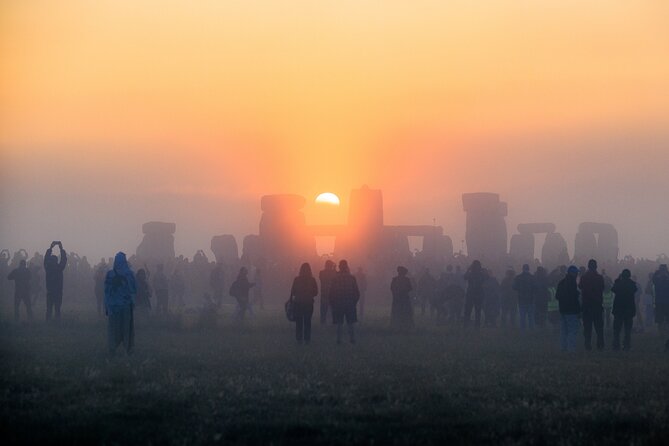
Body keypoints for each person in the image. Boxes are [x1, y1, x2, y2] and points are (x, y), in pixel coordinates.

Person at [104, 252, 136, 355]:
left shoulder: (110, 274)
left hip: (113, 307)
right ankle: (127, 348)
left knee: (113, 328)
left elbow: (106, 291)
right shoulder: (129, 274)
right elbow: (134, 289)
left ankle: (112, 348)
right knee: (126, 328)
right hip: (126, 306)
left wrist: (107, 305)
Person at [329, 260, 360, 344]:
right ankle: (352, 339)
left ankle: (339, 339)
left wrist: (332, 303)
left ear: (339, 267)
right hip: (349, 303)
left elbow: (332, 292)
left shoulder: (335, 278)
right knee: (350, 322)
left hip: (338, 303)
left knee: (339, 323)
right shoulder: (351, 278)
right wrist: (354, 302)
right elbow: (356, 292)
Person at [579, 259, 606, 351]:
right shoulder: (599, 277)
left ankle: (587, 344)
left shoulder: (583, 277)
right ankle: (600, 345)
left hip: (586, 305)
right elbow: (602, 288)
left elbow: (580, 287)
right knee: (599, 327)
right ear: (596, 267)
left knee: (587, 327)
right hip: (597, 304)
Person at [289, 263, 318, 344]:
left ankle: (299, 339)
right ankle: (307, 339)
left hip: (298, 303)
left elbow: (293, 292)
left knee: (299, 322)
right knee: (307, 321)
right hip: (308, 303)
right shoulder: (312, 280)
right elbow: (316, 292)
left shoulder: (297, 279)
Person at [555, 266, 581, 352]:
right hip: (572, 311)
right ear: (573, 273)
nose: (577, 274)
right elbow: (574, 299)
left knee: (563, 330)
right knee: (572, 330)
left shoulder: (561, 282)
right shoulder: (572, 283)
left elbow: (557, 296)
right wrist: (579, 311)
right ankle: (571, 349)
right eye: (576, 273)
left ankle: (563, 348)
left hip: (563, 310)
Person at [611, 269, 637, 351]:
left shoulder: (618, 283)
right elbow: (635, 289)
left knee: (617, 330)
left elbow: (613, 289)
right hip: (629, 310)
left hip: (618, 310)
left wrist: (618, 279)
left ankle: (616, 345)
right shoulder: (632, 284)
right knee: (627, 330)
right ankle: (627, 345)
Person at [43, 241, 67, 321]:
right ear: (56, 261)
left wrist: (51, 248)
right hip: (58, 292)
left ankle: (48, 323)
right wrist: (61, 248)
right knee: (57, 309)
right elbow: (64, 260)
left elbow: (45, 259)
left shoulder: (48, 268)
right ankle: (57, 323)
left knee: (49, 309)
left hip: (50, 292)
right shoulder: (59, 268)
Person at [464, 260, 488, 329]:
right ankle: (477, 326)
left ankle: (466, 325)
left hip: (471, 294)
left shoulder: (471, 273)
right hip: (478, 294)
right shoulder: (481, 274)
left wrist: (468, 269)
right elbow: (487, 278)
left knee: (468, 310)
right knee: (478, 311)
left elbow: (465, 277)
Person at [513, 264, 535, 331]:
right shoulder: (532, 277)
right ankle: (531, 330)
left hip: (521, 299)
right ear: (529, 269)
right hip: (530, 299)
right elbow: (536, 288)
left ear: (522, 269)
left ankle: (523, 330)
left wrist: (520, 289)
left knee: (522, 316)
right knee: (531, 316)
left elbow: (514, 287)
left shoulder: (518, 277)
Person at [652, 264, 669, 350]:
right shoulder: (666, 279)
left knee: (660, 319)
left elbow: (653, 278)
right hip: (665, 302)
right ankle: (663, 333)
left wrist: (657, 271)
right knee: (664, 319)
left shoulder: (658, 280)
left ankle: (662, 333)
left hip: (660, 302)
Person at [319, 260, 337, 324]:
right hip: (332, 294)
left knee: (323, 310)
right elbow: (336, 277)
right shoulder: (333, 273)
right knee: (333, 310)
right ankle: (333, 324)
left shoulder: (321, 272)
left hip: (324, 294)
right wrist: (334, 269)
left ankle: (322, 323)